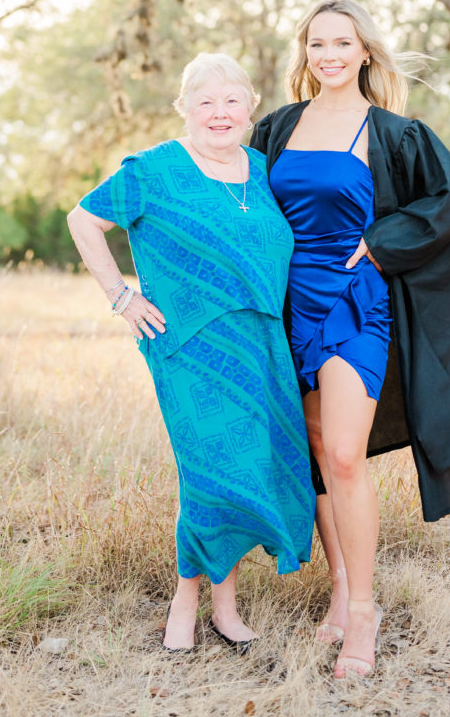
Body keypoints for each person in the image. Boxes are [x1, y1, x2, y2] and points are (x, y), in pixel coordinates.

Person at [251, 0, 450, 679]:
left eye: (340, 43)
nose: (326, 55)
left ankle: (364, 611)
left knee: (345, 454)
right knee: (315, 454)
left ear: (364, 53)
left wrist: (381, 243)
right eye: (315, 44)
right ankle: (336, 589)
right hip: (284, 305)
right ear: (304, 54)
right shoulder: (276, 128)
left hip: (351, 303)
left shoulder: (391, 132)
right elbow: (236, 201)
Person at [67, 52, 315, 653]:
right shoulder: (154, 169)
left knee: (250, 467)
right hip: (189, 346)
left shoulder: (262, 170)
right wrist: (121, 297)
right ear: (184, 110)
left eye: (231, 101)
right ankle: (186, 598)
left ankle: (226, 609)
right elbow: (83, 219)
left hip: (261, 345)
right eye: (205, 102)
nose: (219, 113)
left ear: (251, 108)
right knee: (208, 473)